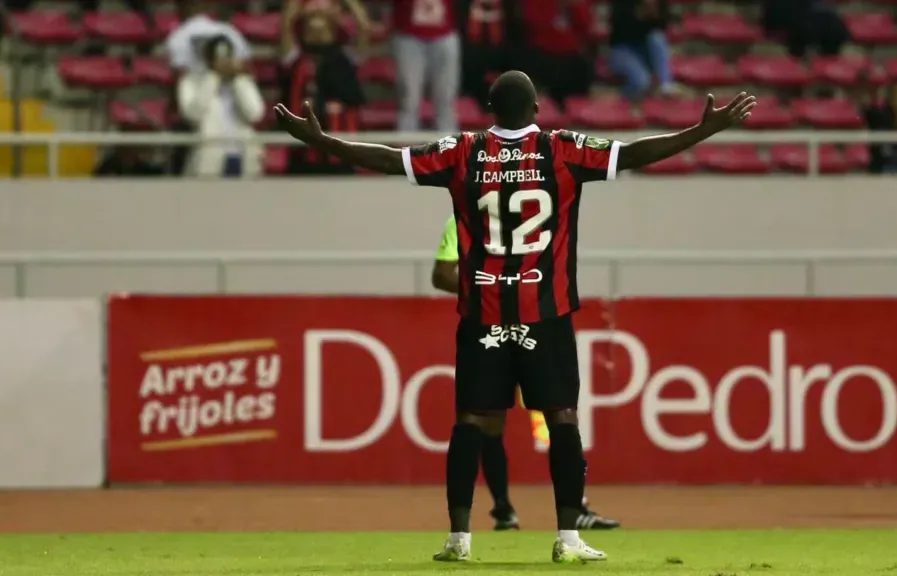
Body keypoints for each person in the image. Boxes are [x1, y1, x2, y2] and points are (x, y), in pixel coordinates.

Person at [274, 70, 755, 563]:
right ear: (537, 109)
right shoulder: (562, 148)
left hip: (483, 313)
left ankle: (458, 539)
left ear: (488, 107)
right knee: (562, 417)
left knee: (470, 421)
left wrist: (322, 140)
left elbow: (388, 160)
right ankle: (568, 538)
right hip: (546, 311)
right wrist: (703, 131)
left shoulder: (463, 150)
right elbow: (632, 154)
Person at [432, 215, 622, 531]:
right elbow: (442, 275)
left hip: (496, 324)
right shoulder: (535, 199)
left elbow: (442, 274)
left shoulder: (466, 208)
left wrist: (489, 288)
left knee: (508, 417)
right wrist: (504, 290)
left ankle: (511, 515)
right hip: (532, 323)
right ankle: (511, 511)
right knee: (546, 414)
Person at [280, 0, 370, 174]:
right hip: (303, 149)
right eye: (312, 19)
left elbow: (364, 27)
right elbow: (285, 24)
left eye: (322, 18)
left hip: (340, 144)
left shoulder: (346, 56)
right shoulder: (294, 57)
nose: (318, 22)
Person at [165, 0, 253, 175]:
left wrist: (236, 77)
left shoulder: (229, 33)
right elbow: (191, 111)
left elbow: (255, 112)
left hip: (240, 147)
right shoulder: (182, 41)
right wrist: (212, 77)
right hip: (205, 145)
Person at [178, 34, 265, 177]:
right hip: (209, 158)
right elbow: (193, 115)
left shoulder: (243, 80)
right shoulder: (190, 82)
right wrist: (213, 78)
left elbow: (255, 114)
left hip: (242, 156)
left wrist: (238, 82)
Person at [392, 0, 460, 132]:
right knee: (409, 98)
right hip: (409, 35)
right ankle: (406, 146)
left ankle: (449, 147)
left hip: (444, 34)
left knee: (446, 97)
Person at [520, 0, 595, 111]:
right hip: (543, 53)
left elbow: (585, 27)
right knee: (555, 69)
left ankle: (578, 110)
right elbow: (534, 24)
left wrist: (574, 7)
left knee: (582, 66)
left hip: (572, 55)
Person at [608, 0, 679, 102]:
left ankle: (666, 85)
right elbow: (619, 31)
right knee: (641, 82)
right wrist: (641, 15)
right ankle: (623, 103)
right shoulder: (622, 4)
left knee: (657, 38)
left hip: (646, 49)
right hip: (622, 49)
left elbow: (663, 25)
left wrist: (654, 14)